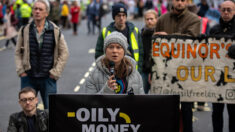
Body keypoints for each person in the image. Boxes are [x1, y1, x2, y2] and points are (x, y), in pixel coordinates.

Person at [155, 0, 200, 131]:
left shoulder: (194, 20)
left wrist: (168, 37)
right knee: (166, 107)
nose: (180, 2)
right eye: (177, 0)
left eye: (183, 0)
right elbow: (156, 45)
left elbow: (191, 40)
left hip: (186, 71)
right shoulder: (162, 19)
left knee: (186, 109)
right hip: (165, 71)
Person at [15, 0, 69, 109]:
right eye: (35, 9)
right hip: (29, 77)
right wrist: (21, 71)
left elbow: (64, 53)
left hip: (48, 78)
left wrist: (55, 73)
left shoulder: (55, 30)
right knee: (28, 110)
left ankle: (47, 127)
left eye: (40, 9)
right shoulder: (24, 30)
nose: (37, 11)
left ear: (46, 13)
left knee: (51, 111)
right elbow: (17, 53)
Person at [95, 3, 143, 73]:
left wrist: (139, 70)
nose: (121, 18)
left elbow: (141, 52)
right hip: (111, 71)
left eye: (123, 15)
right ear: (114, 17)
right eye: (118, 15)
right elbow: (99, 53)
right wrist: (104, 71)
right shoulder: (105, 32)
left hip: (132, 70)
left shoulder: (134, 31)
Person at [209, 1, 235, 132]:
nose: (226, 12)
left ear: (234, 11)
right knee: (217, 113)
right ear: (220, 11)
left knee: (233, 114)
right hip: (217, 78)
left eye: (229, 10)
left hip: (233, 80)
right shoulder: (214, 29)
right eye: (223, 10)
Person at [141, 9, 158, 94]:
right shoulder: (141, 34)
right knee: (142, 95)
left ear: (156, 19)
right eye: (147, 19)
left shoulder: (160, 35)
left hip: (157, 71)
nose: (149, 21)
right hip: (144, 70)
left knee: (156, 96)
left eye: (151, 19)